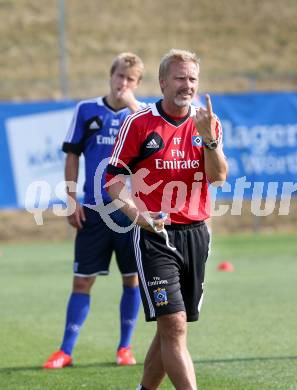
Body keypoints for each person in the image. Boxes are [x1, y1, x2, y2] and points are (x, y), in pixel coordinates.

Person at [106, 49, 228, 390]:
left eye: (192, 79)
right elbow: (113, 179)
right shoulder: (139, 123)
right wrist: (136, 213)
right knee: (174, 326)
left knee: (170, 327)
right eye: (180, 78)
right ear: (162, 82)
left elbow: (218, 177)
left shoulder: (208, 123)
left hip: (197, 233)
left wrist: (210, 139)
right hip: (155, 236)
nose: (187, 85)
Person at [43, 52, 145, 369]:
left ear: (137, 83)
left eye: (130, 80)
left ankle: (124, 348)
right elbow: (72, 155)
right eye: (119, 77)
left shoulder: (141, 116)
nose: (122, 84)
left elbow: (153, 149)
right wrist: (71, 199)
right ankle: (66, 350)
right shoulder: (86, 110)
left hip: (129, 213)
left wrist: (133, 106)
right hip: (93, 210)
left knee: (132, 280)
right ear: (110, 76)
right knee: (82, 281)